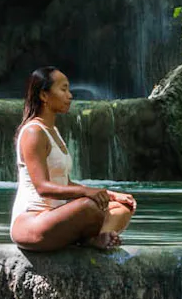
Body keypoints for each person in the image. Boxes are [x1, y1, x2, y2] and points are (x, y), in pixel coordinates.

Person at [9, 67, 137, 250]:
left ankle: (98, 238)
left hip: (57, 217)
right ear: (44, 95)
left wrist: (109, 195)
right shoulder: (33, 131)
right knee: (87, 207)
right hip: (32, 222)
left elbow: (65, 182)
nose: (69, 95)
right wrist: (87, 192)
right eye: (63, 89)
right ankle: (95, 238)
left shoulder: (53, 131)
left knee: (122, 208)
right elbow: (42, 187)